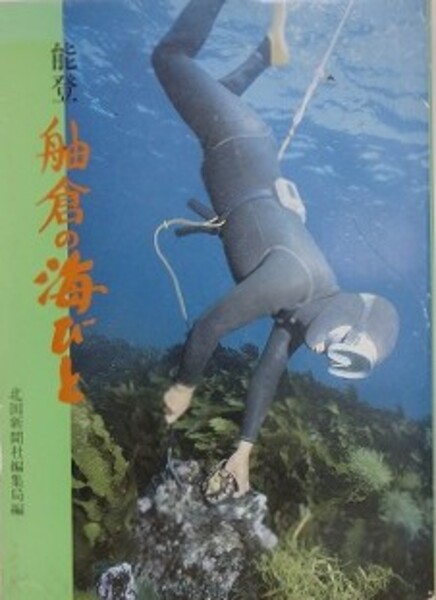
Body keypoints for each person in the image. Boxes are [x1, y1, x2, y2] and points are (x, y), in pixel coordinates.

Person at [151, 0, 399, 501]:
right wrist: (183, 387)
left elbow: (268, 372)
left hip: (239, 153)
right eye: (344, 345)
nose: (328, 354)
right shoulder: (295, 282)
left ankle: (267, 51)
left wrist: (243, 450)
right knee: (169, 56)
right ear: (349, 317)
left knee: (219, 91)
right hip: (236, 141)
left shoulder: (306, 310)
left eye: (342, 359)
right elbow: (209, 328)